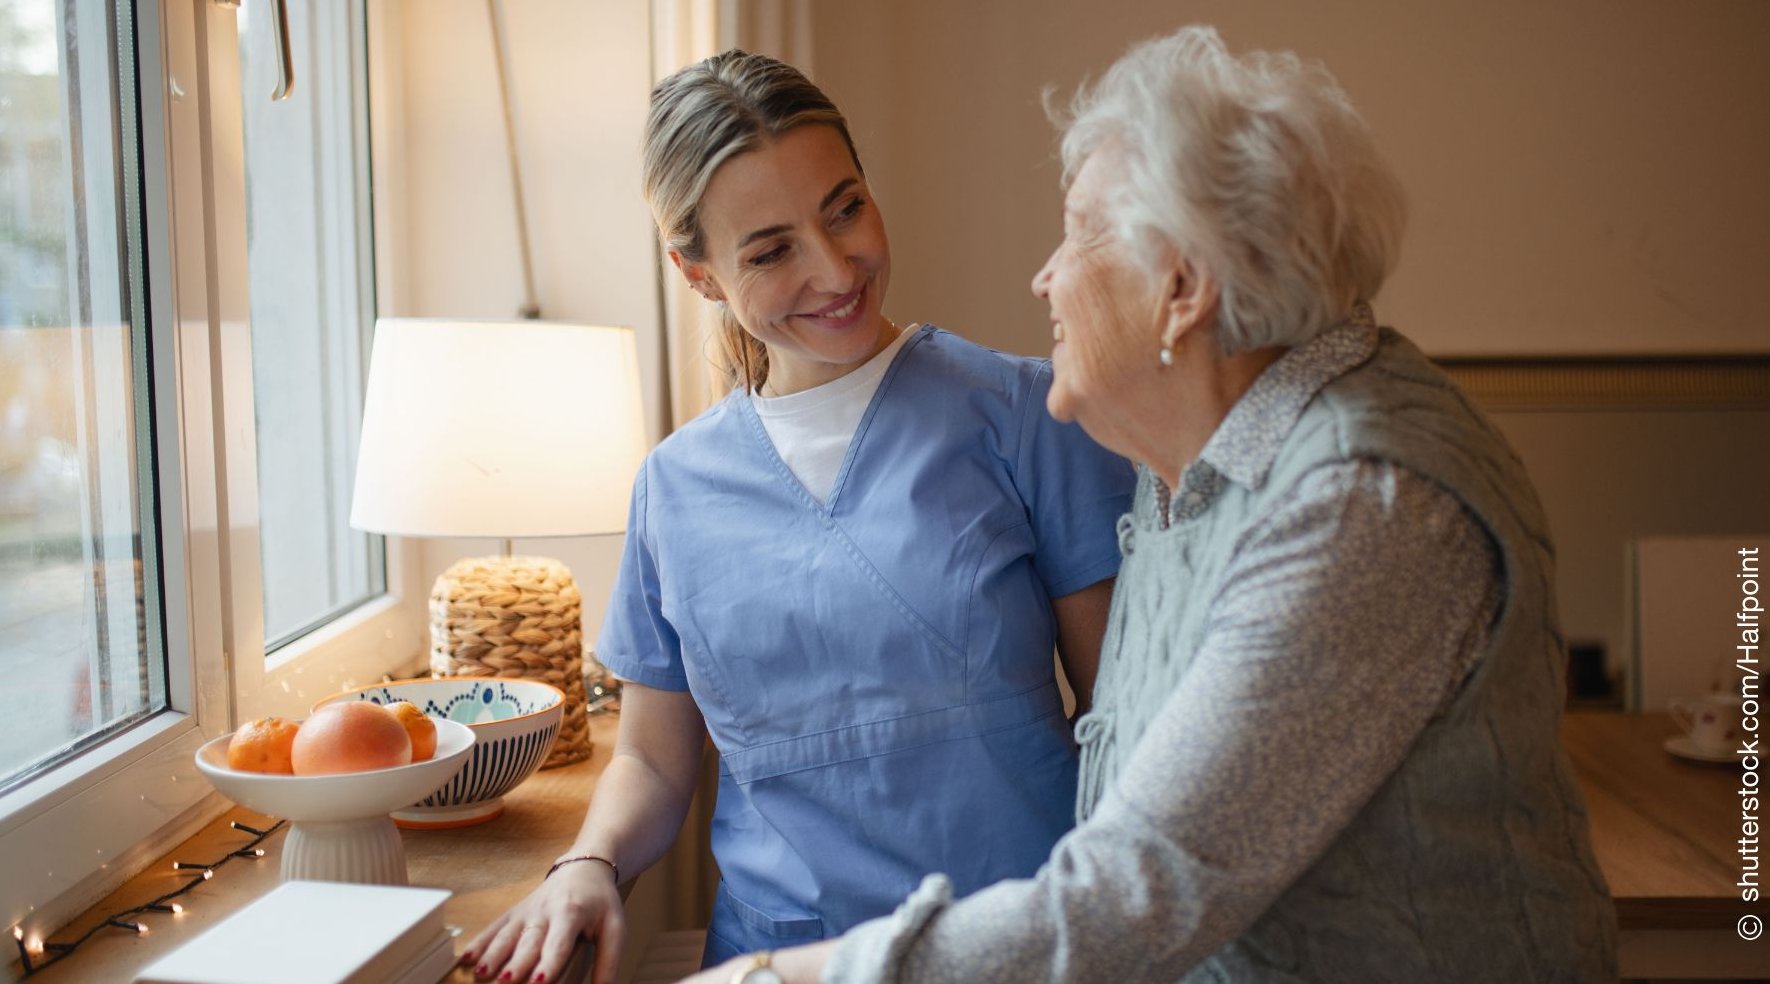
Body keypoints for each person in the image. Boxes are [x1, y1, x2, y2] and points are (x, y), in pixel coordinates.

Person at [680, 25, 1619, 984]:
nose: (1046, 276)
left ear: (1182, 288)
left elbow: (1137, 891)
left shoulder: (1361, 506)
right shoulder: (1188, 466)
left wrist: (773, 978)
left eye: (1079, 232)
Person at [461, 50, 1135, 984]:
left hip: (1013, 949)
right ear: (697, 273)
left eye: (845, 208)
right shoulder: (673, 489)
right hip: (773, 961)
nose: (835, 268)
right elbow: (652, 764)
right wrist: (589, 865)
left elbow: (1122, 720)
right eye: (771, 251)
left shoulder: (1029, 416)